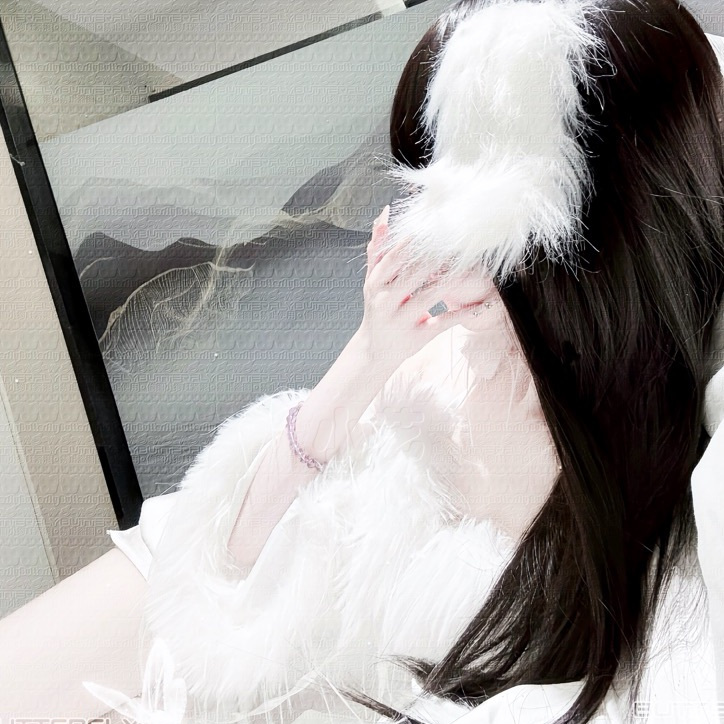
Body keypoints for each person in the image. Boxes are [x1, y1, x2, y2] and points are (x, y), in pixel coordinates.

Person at [1, 0, 724, 722]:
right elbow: (225, 583)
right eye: (429, 198)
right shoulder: (436, 366)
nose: (449, 258)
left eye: (491, 230)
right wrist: (368, 358)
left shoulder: (669, 449)